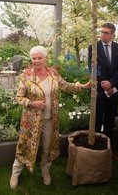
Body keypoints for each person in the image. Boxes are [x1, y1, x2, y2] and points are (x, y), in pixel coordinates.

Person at [10, 46, 92, 189]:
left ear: (45, 58)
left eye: (39, 58)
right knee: (25, 146)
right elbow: (19, 97)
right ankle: (16, 172)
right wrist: (32, 103)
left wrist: (83, 86)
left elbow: (65, 86)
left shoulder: (53, 73)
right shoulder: (26, 75)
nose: (36, 61)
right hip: (31, 121)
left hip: (50, 120)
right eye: (34, 58)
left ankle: (45, 171)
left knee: (47, 148)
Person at [88, 23, 118, 159]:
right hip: (99, 91)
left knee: (110, 121)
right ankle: (94, 150)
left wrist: (112, 83)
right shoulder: (94, 47)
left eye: (106, 32)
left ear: (113, 35)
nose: (103, 34)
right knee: (97, 121)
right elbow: (92, 68)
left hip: (113, 91)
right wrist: (103, 83)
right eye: (102, 32)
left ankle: (109, 150)